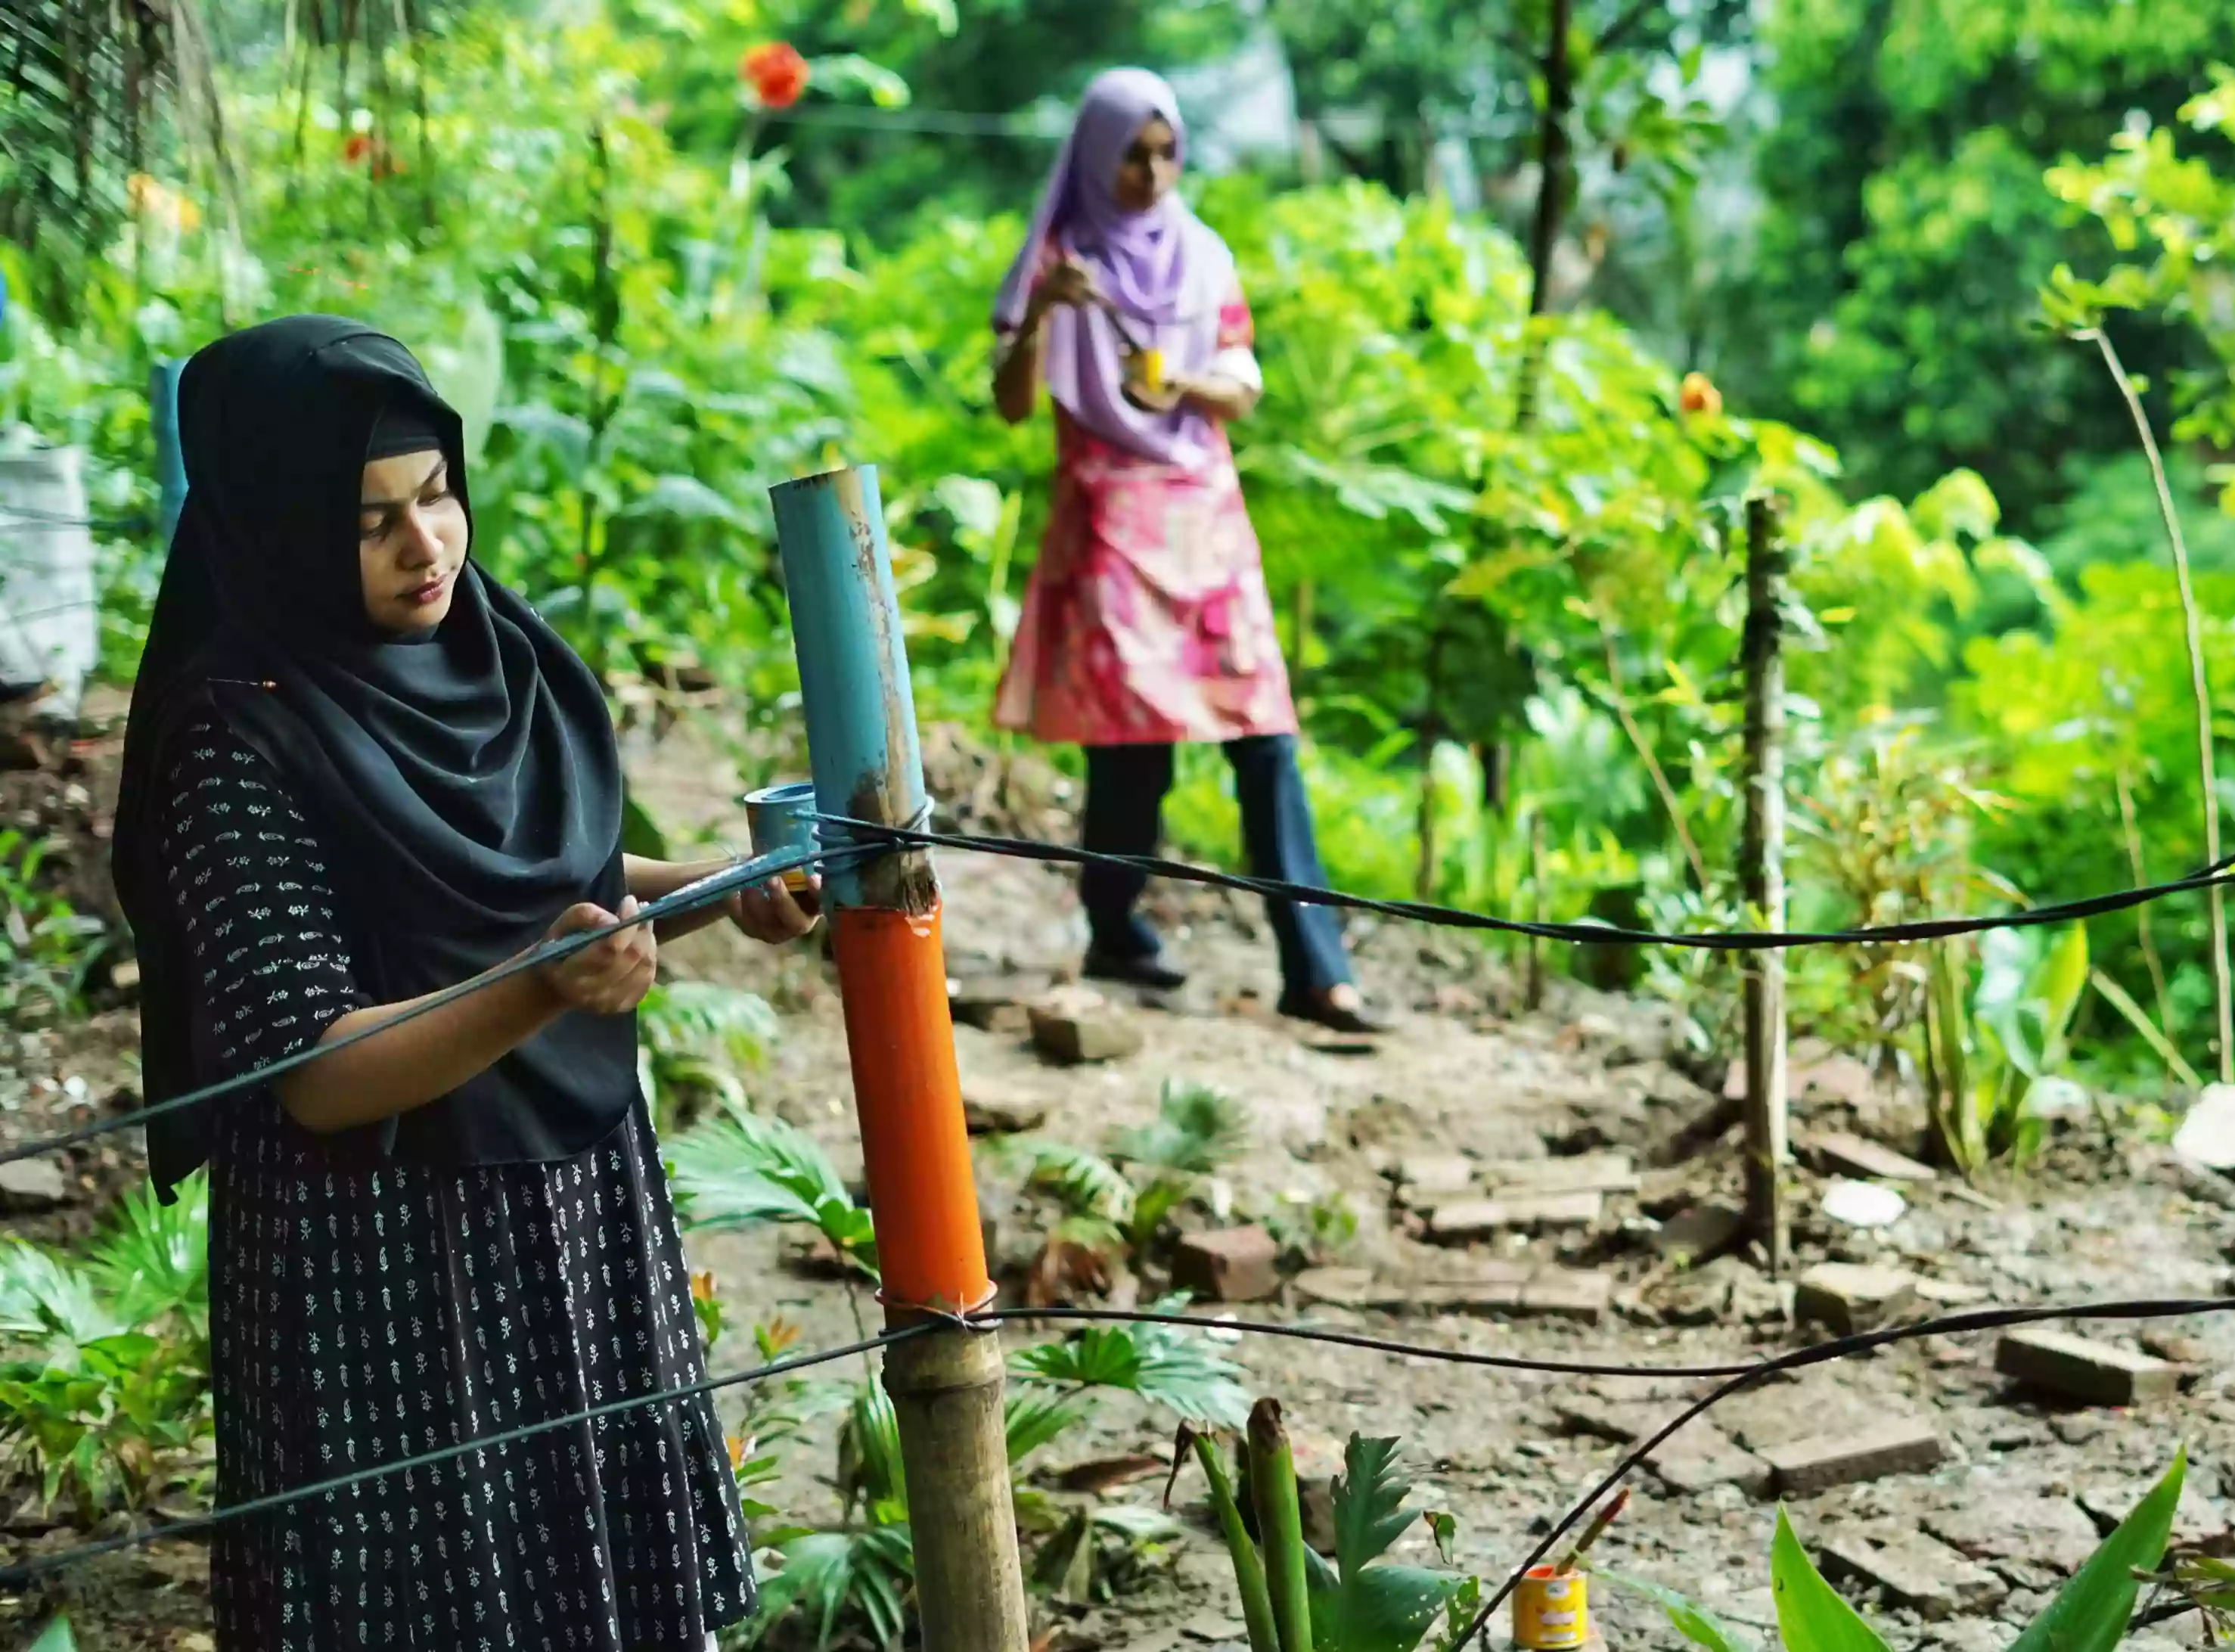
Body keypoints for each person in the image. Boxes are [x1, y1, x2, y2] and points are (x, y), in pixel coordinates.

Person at [111, 316, 818, 1650]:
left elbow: (544, 878)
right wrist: (544, 988)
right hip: (374, 1253)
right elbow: (314, 1073)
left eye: (437, 494)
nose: (425, 545)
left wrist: (715, 889)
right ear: (274, 523)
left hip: (565, 1197)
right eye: (369, 518)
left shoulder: (494, 651)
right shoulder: (235, 730)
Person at [987, 67, 1387, 1036]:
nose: (1153, 171)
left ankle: (1315, 966)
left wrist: (1183, 388)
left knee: (1265, 737)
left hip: (1203, 515)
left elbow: (1241, 386)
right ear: (1093, 153)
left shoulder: (1204, 256)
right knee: (1131, 745)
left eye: (1167, 151)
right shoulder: (1060, 255)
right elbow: (1009, 402)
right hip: (1108, 520)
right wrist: (1045, 309)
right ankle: (1114, 927)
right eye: (1133, 152)